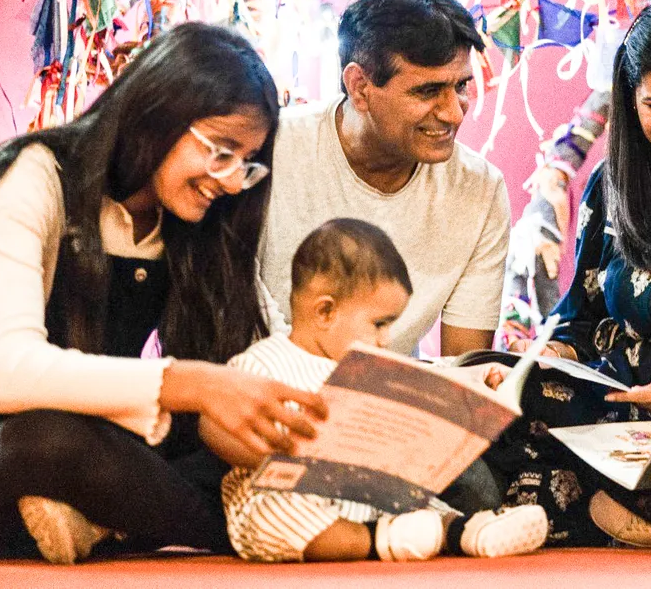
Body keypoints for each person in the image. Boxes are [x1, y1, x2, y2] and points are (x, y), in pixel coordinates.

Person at [0, 23, 328, 564]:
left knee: (242, 455)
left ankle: (98, 523)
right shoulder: (34, 176)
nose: (230, 180)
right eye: (221, 151)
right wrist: (194, 384)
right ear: (158, 111)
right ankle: (268, 530)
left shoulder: (196, 222)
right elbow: (7, 375)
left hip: (114, 447)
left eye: (247, 162)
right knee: (54, 442)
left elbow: (258, 354)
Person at [486, 1, 651, 546]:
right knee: (506, 406)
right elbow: (578, 319)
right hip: (615, 403)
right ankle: (647, 515)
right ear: (629, 102)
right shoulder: (612, 188)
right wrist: (538, 362)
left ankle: (636, 514)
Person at [211, 219, 549, 562]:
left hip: (366, 496)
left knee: (427, 503)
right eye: (379, 324)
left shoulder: (368, 372)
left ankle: (467, 531)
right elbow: (216, 425)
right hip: (291, 499)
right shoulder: (264, 363)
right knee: (285, 516)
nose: (387, 339)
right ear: (325, 312)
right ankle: (382, 540)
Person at [261, 0, 510, 358]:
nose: (455, 113)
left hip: (380, 409)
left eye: (461, 86)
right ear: (359, 87)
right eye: (427, 91)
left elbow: (463, 370)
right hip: (250, 399)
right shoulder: (269, 152)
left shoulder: (480, 191)